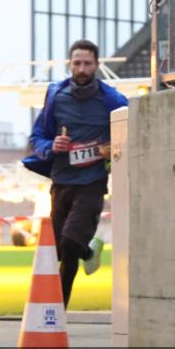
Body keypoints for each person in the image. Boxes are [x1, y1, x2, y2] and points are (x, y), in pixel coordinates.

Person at [23, 39, 128, 308]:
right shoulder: (56, 95)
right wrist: (50, 146)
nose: (82, 69)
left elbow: (131, 131)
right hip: (61, 181)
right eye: (77, 63)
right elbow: (36, 137)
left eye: (87, 64)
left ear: (97, 65)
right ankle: (87, 253)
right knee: (61, 249)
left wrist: (112, 147)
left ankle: (59, 307)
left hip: (92, 183)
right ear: (70, 65)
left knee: (70, 242)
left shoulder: (112, 100)